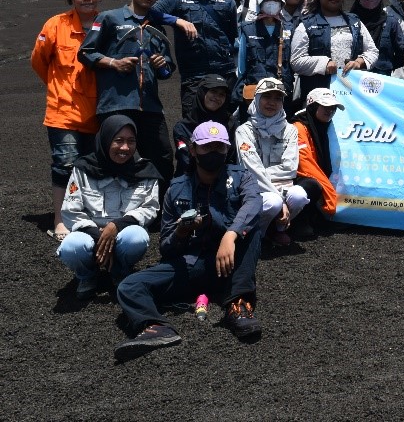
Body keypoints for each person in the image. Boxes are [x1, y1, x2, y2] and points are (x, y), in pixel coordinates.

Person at [113, 121, 263, 358]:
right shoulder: (176, 188)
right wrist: (181, 233)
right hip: (191, 264)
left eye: (219, 148)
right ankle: (155, 326)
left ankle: (239, 304)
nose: (214, 153)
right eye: (207, 147)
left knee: (251, 230)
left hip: (231, 264)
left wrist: (231, 234)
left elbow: (255, 203)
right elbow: (166, 248)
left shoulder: (242, 177)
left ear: (227, 151)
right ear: (193, 150)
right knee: (129, 286)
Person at [79, 0, 176, 185]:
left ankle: (160, 214)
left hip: (150, 107)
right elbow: (85, 53)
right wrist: (114, 62)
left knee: (162, 158)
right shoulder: (108, 19)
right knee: (114, 160)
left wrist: (162, 64)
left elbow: (168, 70)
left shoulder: (157, 26)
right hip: (116, 105)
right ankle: (110, 213)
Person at [32, 0, 103, 241]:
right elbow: (39, 61)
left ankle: (89, 215)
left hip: (98, 112)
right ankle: (60, 220)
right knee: (64, 165)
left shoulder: (106, 24)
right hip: (63, 111)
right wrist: (56, 86)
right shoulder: (56, 25)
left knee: (94, 166)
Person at [57, 114, 160, 298]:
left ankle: (120, 270)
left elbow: (150, 208)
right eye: (118, 140)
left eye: (131, 141)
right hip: (89, 232)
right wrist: (100, 237)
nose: (125, 147)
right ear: (105, 140)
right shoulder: (83, 169)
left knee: (137, 238)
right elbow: (71, 210)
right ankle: (87, 275)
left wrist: (116, 226)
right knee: (71, 246)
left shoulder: (145, 171)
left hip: (125, 231)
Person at [151, 0, 237, 118]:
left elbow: (232, 35)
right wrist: (177, 21)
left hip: (224, 75)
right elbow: (150, 14)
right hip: (194, 78)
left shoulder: (227, 0)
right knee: (193, 128)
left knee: (225, 128)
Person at [234, 77, 309, 247]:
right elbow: (251, 171)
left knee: (299, 195)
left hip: (282, 186)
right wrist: (280, 199)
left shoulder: (290, 130)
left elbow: (290, 168)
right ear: (257, 98)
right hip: (254, 188)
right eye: (267, 97)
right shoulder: (243, 131)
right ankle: (256, 235)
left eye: (277, 98)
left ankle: (278, 229)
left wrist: (264, 172)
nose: (272, 103)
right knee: (273, 202)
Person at [290, 0, 377, 103]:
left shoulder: (355, 22)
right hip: (317, 97)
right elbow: (296, 61)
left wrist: (359, 62)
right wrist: (323, 64)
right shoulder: (306, 25)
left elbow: (372, 51)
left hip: (350, 96)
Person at [289, 87, 344, 237]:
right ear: (313, 106)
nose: (330, 111)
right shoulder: (298, 127)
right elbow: (305, 163)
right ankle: (297, 222)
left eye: (333, 107)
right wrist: (331, 197)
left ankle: (315, 218)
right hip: (293, 179)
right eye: (325, 106)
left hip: (311, 176)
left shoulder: (324, 127)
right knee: (311, 185)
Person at [236, 0, 292, 102]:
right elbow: (241, 68)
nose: (272, 2)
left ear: (281, 2)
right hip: (254, 93)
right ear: (260, 2)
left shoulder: (289, 29)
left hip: (281, 94)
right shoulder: (247, 28)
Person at [173, 74, 238, 176]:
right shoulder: (182, 127)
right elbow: (186, 160)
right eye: (213, 92)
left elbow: (232, 158)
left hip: (223, 179)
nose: (217, 97)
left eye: (222, 95)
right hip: (189, 179)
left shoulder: (230, 123)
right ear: (202, 92)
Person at [351, 0, 404, 78]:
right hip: (352, 81)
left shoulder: (390, 22)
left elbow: (403, 51)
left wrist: (388, 65)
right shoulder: (349, 21)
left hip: (382, 83)